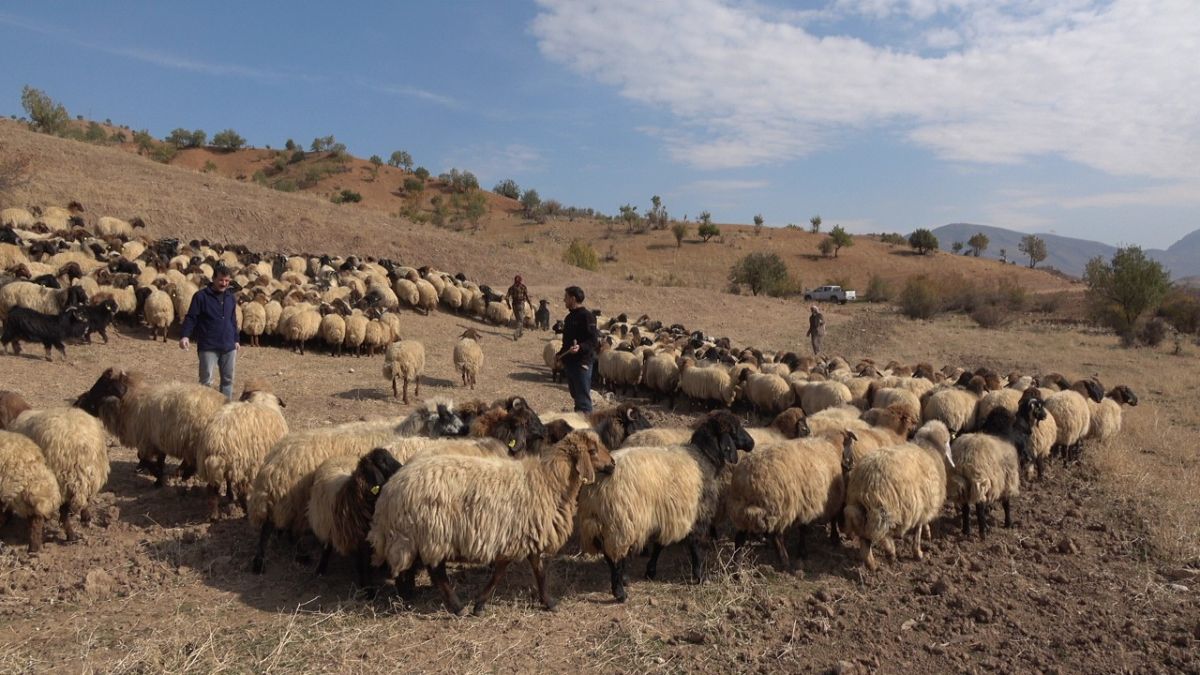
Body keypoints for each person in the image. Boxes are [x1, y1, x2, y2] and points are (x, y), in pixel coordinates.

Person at [180, 266, 239, 400]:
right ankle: (205, 411)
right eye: (221, 280)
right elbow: (191, 317)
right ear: (213, 279)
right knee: (206, 381)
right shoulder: (201, 296)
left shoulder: (230, 298)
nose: (224, 283)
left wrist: (236, 339)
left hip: (228, 346)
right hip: (208, 345)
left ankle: (226, 410)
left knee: (228, 381)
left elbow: (233, 320)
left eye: (227, 281)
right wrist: (185, 336)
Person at [555, 285, 598, 413]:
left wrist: (580, 347)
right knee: (576, 397)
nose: (564, 300)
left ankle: (586, 427)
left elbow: (593, 340)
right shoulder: (569, 318)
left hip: (582, 364)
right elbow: (567, 343)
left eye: (566, 297)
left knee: (583, 401)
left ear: (573, 299)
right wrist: (560, 355)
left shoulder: (587, 316)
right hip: (570, 364)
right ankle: (579, 420)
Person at [505, 275, 530, 341]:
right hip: (520, 304)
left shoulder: (511, 288)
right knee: (520, 320)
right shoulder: (523, 287)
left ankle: (520, 332)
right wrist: (530, 304)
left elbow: (506, 297)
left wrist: (508, 305)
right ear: (520, 281)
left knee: (518, 319)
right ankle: (516, 333)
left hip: (514, 305)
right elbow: (527, 297)